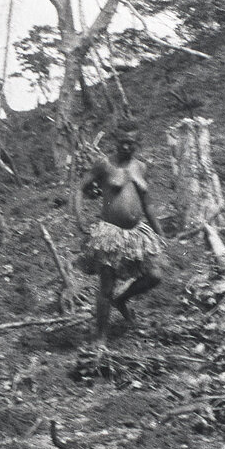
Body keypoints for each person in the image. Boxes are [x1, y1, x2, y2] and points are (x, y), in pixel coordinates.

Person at [74, 122, 166, 344]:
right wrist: (79, 219)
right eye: (122, 142)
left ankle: (122, 299)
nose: (126, 147)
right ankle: (101, 337)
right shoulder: (104, 165)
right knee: (106, 285)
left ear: (136, 144)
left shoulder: (141, 168)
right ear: (115, 141)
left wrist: (160, 233)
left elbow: (148, 204)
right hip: (110, 234)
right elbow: (79, 188)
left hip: (136, 234)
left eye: (131, 143)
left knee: (155, 275)